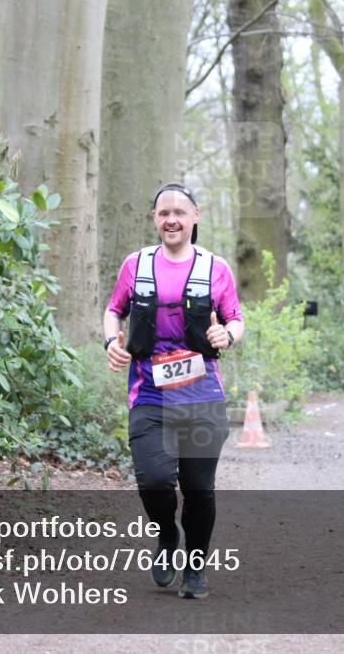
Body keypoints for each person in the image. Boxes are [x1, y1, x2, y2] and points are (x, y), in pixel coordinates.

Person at [103, 182, 244, 599]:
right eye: (164, 212)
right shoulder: (136, 264)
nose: (172, 220)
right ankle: (167, 536)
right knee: (154, 479)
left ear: (195, 216)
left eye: (180, 212)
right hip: (148, 393)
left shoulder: (215, 267)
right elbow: (114, 311)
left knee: (199, 488)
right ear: (154, 219)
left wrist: (227, 336)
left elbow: (236, 318)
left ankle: (196, 569)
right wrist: (111, 342)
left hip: (201, 395)